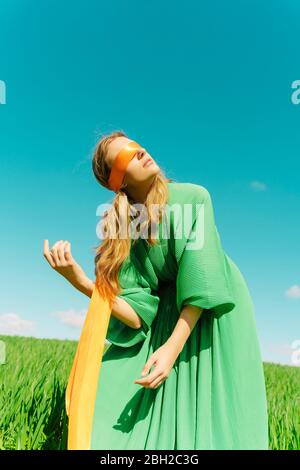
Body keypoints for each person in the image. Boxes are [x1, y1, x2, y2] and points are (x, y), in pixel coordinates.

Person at [43, 130, 269, 450]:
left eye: (136, 146)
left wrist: (170, 349)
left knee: (211, 407)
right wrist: (80, 281)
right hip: (167, 311)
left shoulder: (194, 197)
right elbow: (135, 315)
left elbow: (201, 280)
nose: (140, 152)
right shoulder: (124, 229)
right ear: (118, 181)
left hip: (212, 305)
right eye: (126, 155)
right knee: (111, 387)